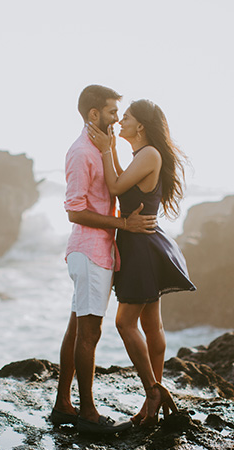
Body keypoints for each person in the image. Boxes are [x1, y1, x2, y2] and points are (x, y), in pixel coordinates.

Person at [50, 86, 158, 434]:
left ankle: (63, 405)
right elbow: (74, 210)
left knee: (76, 329)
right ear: (94, 114)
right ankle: (89, 414)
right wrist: (122, 224)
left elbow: (115, 186)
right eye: (113, 112)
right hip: (90, 252)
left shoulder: (99, 148)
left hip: (97, 251)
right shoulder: (82, 152)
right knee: (90, 332)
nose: (117, 117)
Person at [87, 98, 196, 426]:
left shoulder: (149, 154)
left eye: (127, 118)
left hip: (142, 247)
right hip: (142, 244)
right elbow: (122, 178)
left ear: (141, 126)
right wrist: (112, 152)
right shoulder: (142, 156)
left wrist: (106, 150)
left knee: (124, 323)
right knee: (151, 325)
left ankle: (152, 390)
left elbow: (116, 185)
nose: (120, 122)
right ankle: (154, 401)